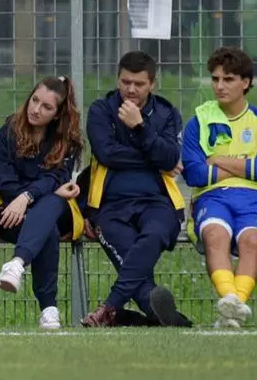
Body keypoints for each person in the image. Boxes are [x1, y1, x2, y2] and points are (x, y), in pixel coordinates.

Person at [78, 50, 192, 328]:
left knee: (153, 236)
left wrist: (140, 127)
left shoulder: (166, 113)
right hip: (109, 207)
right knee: (137, 267)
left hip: (158, 203)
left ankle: (111, 307)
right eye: (125, 81)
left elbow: (169, 157)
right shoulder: (101, 110)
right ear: (118, 79)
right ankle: (164, 318)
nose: (130, 89)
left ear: (152, 84)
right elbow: (107, 154)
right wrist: (153, 157)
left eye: (138, 84)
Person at [181, 46, 257, 328]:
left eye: (228, 79)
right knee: (215, 235)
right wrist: (242, 165)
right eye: (215, 79)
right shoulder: (198, 122)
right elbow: (195, 174)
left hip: (256, 198)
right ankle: (232, 302)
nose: (219, 86)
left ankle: (232, 307)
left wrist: (219, 160)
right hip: (212, 197)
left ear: (246, 82)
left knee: (252, 241)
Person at [0, 76, 85, 330]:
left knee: (55, 199)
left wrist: (27, 197)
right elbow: (5, 182)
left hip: (49, 209)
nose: (36, 109)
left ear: (57, 115)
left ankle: (18, 262)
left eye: (46, 107)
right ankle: (49, 309)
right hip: (9, 213)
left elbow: (59, 179)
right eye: (35, 100)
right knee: (48, 228)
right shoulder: (8, 132)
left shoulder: (67, 140)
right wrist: (23, 198)